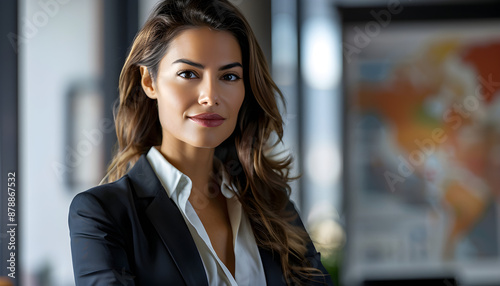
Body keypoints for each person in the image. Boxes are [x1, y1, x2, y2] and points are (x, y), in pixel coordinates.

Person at [68, 0, 333, 285]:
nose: (210, 96)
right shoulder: (102, 214)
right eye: (188, 74)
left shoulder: (273, 206)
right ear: (149, 81)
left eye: (229, 76)